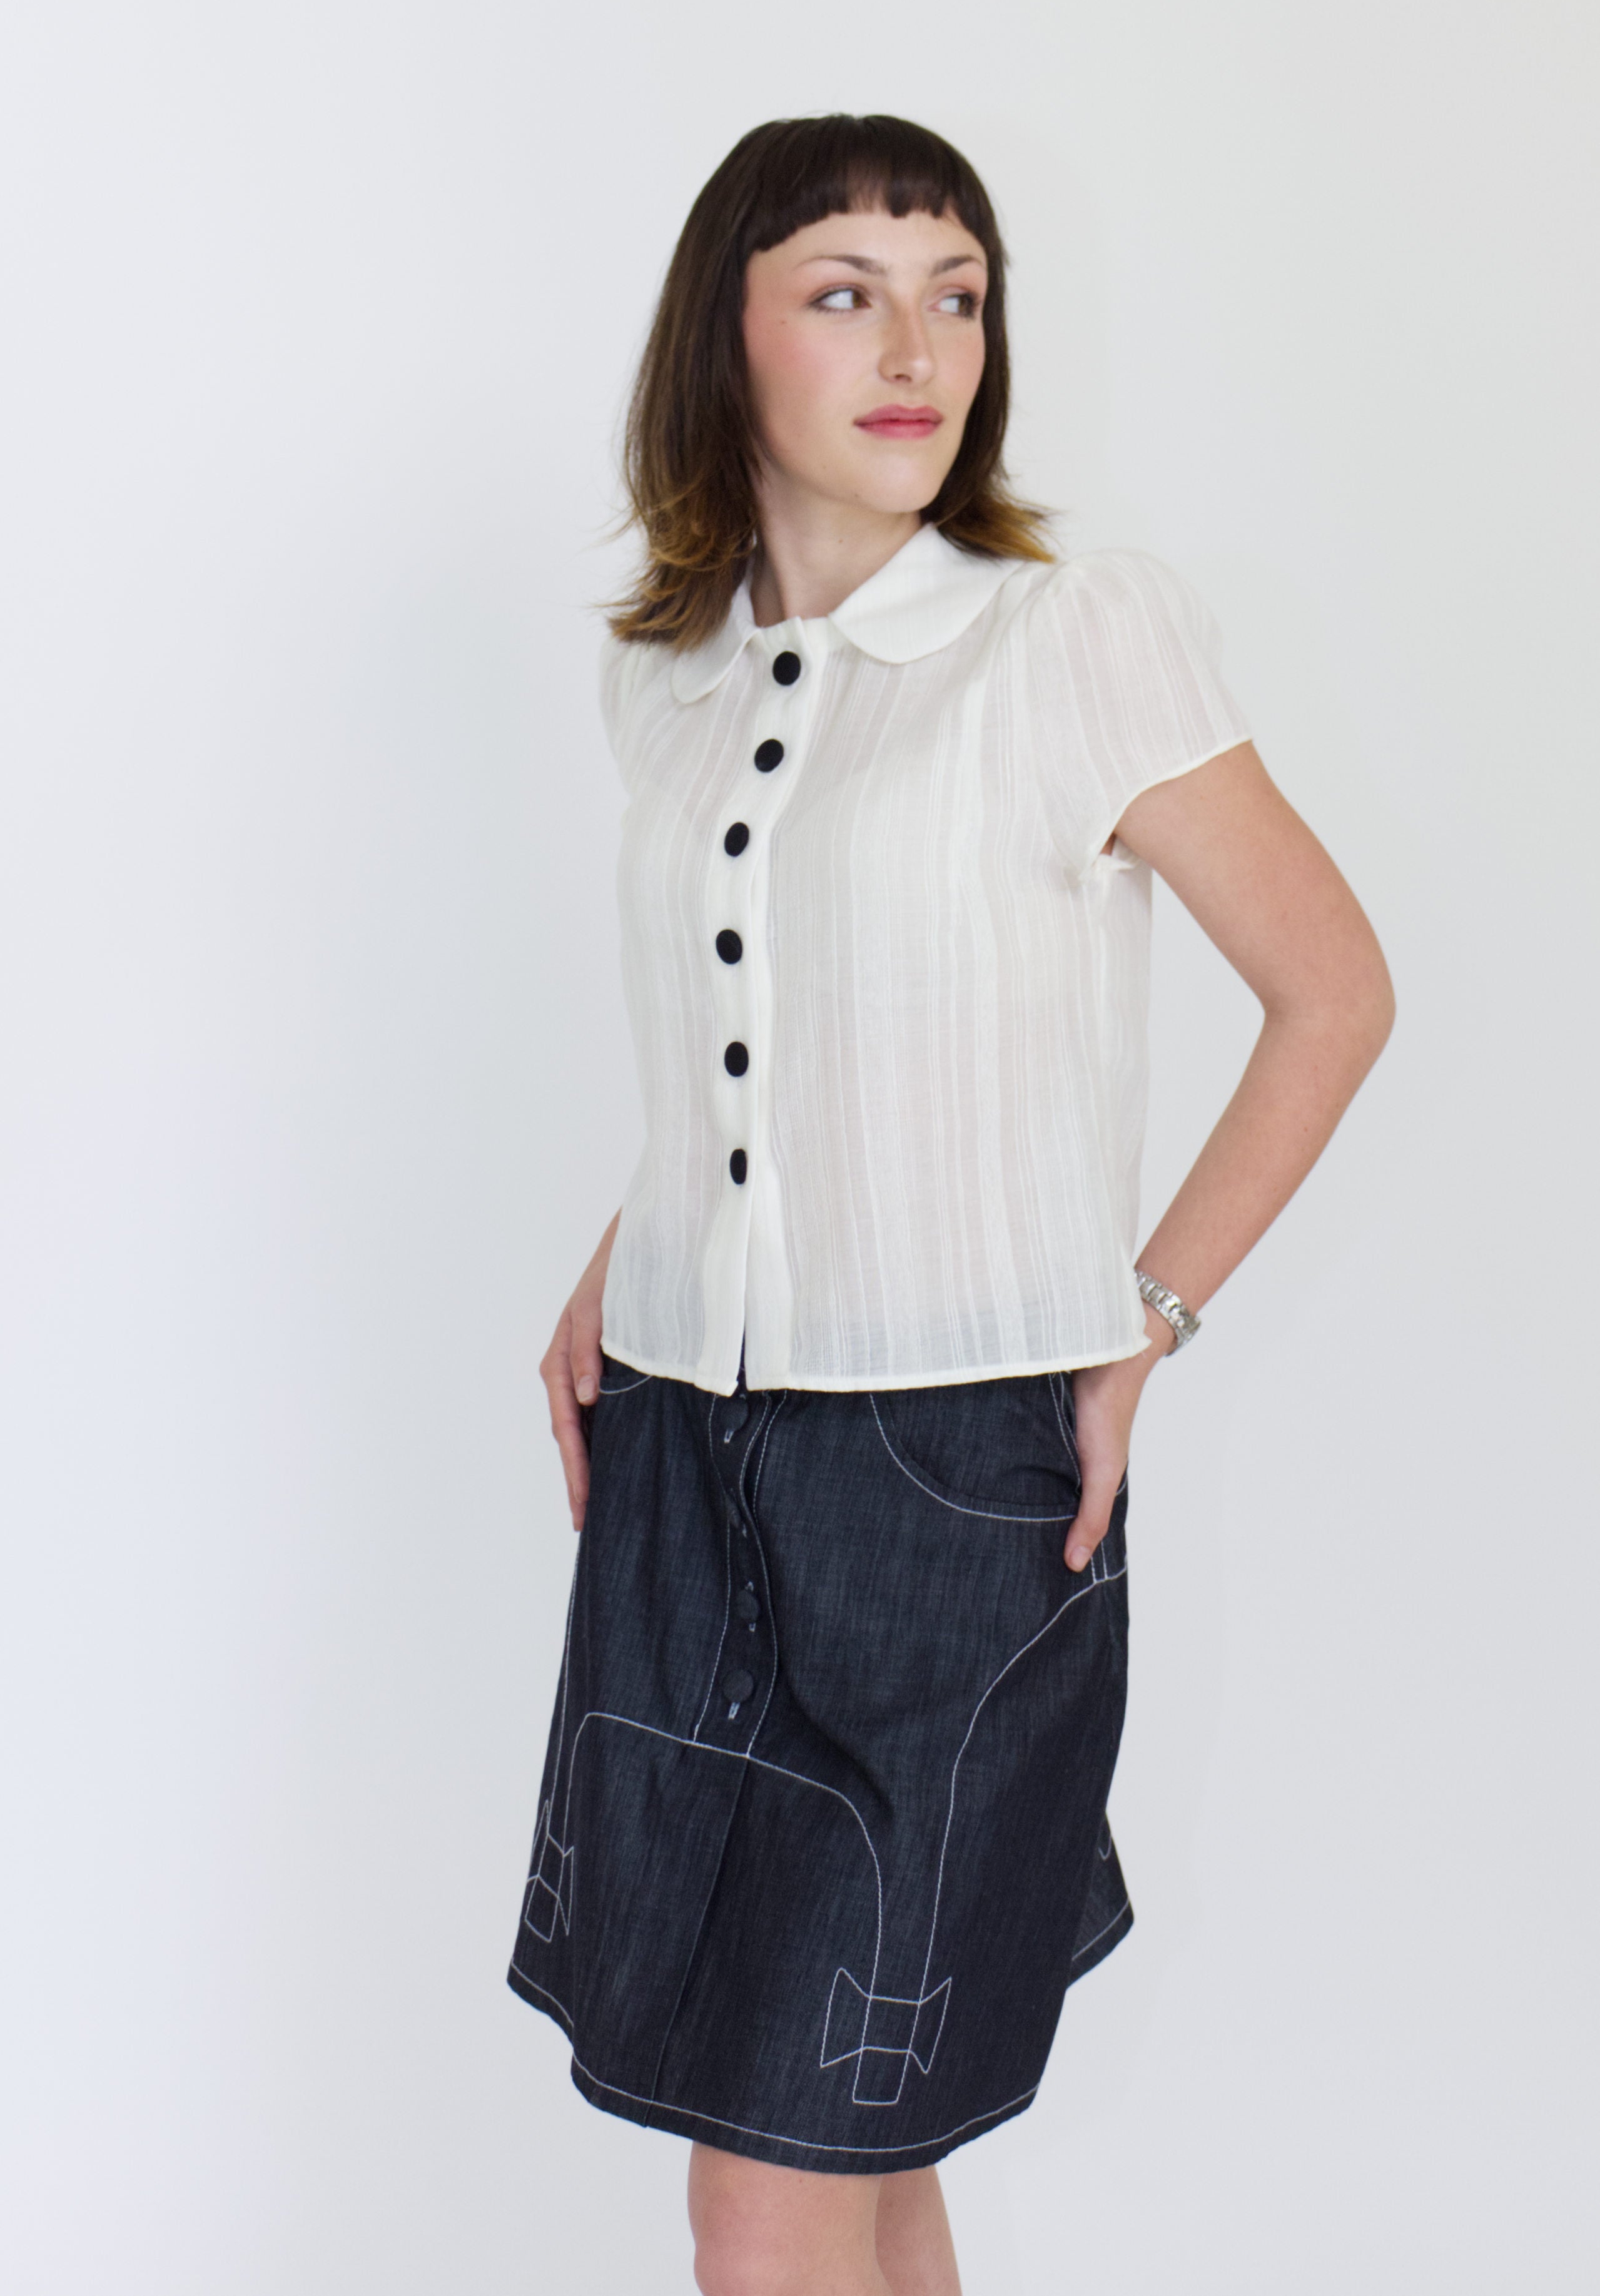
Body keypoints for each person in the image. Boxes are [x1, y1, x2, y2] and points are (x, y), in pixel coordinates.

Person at [509, 114, 1394, 2296]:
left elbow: (1334, 992)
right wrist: (625, 1259)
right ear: (724, 339)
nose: (917, 348)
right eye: (845, 292)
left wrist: (1146, 1322)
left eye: (957, 295)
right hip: (683, 1462)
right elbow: (774, 1033)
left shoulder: (1070, 636)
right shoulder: (672, 675)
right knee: (854, 2154)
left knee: (776, 2182)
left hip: (951, 1484)